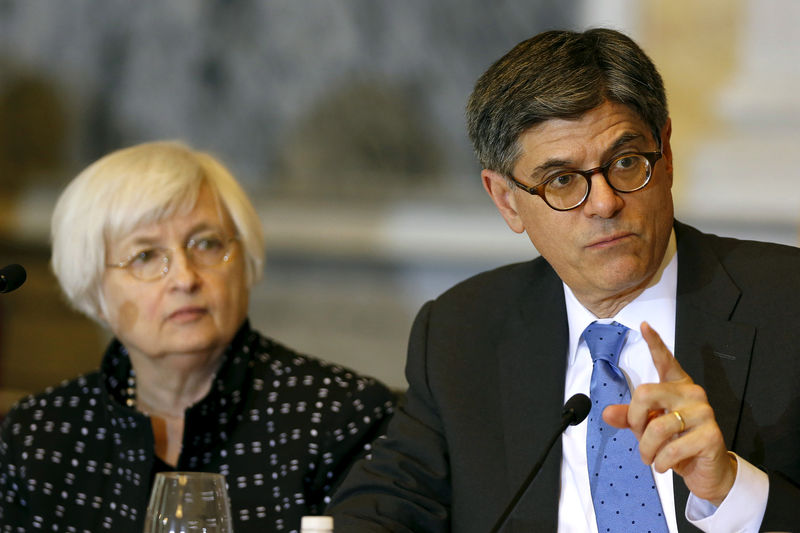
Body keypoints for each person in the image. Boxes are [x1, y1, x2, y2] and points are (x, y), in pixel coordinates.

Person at [328, 28, 800, 532]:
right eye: (562, 180)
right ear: (507, 200)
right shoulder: (463, 331)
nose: (604, 203)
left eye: (625, 162)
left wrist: (730, 488)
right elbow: (385, 505)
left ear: (665, 152)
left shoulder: (786, 304)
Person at [0, 141, 395, 532]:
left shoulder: (340, 416)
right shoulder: (39, 434)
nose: (185, 278)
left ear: (246, 261)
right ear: (94, 291)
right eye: (146, 256)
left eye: (206, 244)